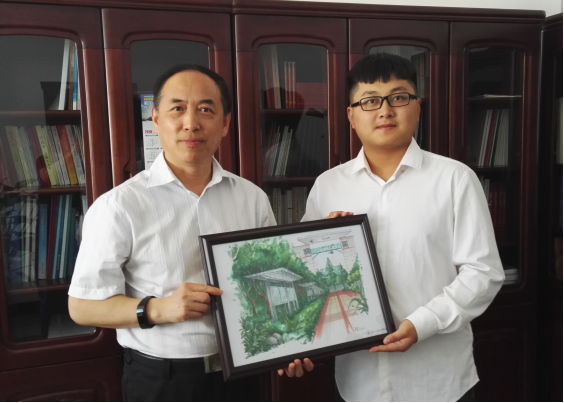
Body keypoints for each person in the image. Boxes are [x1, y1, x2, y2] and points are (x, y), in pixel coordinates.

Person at [68, 64, 311, 402]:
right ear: (155, 120)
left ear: (225, 123)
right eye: (177, 109)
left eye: (206, 110)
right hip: (164, 380)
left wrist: (290, 343)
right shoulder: (119, 206)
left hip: (242, 373)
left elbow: (270, 282)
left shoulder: (252, 197)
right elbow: (82, 306)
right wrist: (158, 309)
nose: (191, 123)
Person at [301, 53, 504, 402]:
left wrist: (423, 323)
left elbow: (483, 273)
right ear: (351, 115)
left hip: (439, 381)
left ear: (417, 106)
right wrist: (319, 247)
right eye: (369, 101)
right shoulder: (327, 186)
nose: (385, 111)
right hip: (358, 381)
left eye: (398, 97)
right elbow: (308, 277)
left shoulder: (455, 179)